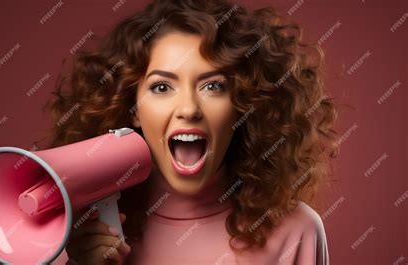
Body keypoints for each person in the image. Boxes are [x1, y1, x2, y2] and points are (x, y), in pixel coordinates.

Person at [46, 0, 339, 264]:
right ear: (134, 108)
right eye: (162, 87)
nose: (188, 108)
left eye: (213, 86)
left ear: (242, 103)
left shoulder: (297, 232)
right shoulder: (80, 237)